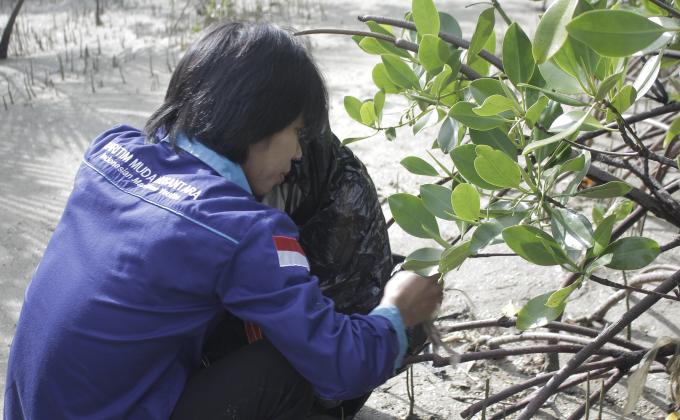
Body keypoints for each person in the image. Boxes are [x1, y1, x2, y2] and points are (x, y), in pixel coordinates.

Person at [3, 22, 443, 419]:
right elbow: (340, 367)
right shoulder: (242, 230)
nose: (298, 154)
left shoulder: (109, 150)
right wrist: (396, 312)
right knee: (285, 367)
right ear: (258, 123)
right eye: (296, 132)